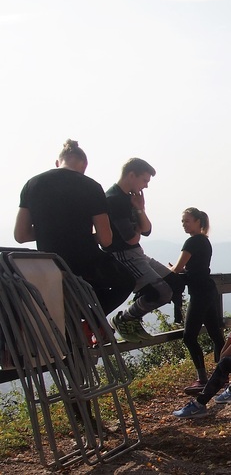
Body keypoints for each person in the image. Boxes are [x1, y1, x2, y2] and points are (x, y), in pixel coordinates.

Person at [15, 140, 135, 318]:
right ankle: (89, 319)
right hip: (84, 262)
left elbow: (21, 235)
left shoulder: (32, 184)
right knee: (126, 281)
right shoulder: (91, 186)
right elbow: (105, 239)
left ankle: (77, 319)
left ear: (58, 162)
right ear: (84, 164)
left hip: (49, 263)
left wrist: (48, 231)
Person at [105, 158, 174, 343]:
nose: (146, 186)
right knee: (162, 292)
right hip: (123, 255)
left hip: (137, 252)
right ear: (131, 175)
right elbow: (131, 238)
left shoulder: (130, 199)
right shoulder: (113, 200)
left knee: (174, 282)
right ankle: (123, 319)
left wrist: (140, 208)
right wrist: (139, 226)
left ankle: (133, 319)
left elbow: (147, 230)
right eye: (144, 180)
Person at [169, 208, 226, 395]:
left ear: (197, 222)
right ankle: (223, 373)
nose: (184, 224)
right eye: (182, 221)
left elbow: (176, 269)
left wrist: (161, 269)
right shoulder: (205, 241)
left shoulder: (192, 241)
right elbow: (197, 268)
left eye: (187, 221)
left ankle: (202, 379)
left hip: (200, 292)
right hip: (209, 290)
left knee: (189, 336)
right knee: (216, 335)